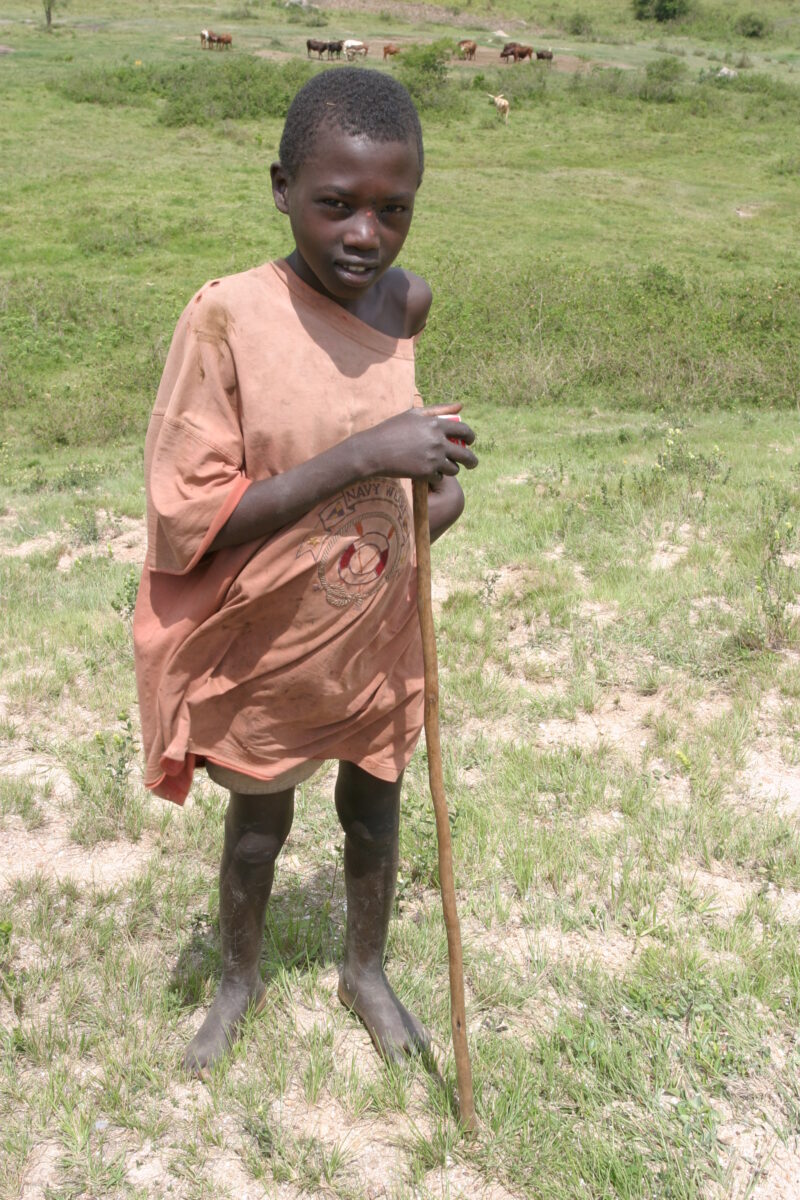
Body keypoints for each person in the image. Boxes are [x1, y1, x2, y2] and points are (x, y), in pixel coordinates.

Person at [133, 67, 478, 1077]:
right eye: (335, 204)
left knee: (374, 808)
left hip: (372, 624)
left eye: (393, 209)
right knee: (257, 823)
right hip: (269, 638)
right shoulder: (228, 317)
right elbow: (194, 511)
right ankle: (238, 978)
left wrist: (432, 493)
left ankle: (363, 969)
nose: (363, 234)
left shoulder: (404, 304)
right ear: (281, 186)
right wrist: (369, 455)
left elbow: (392, 470)